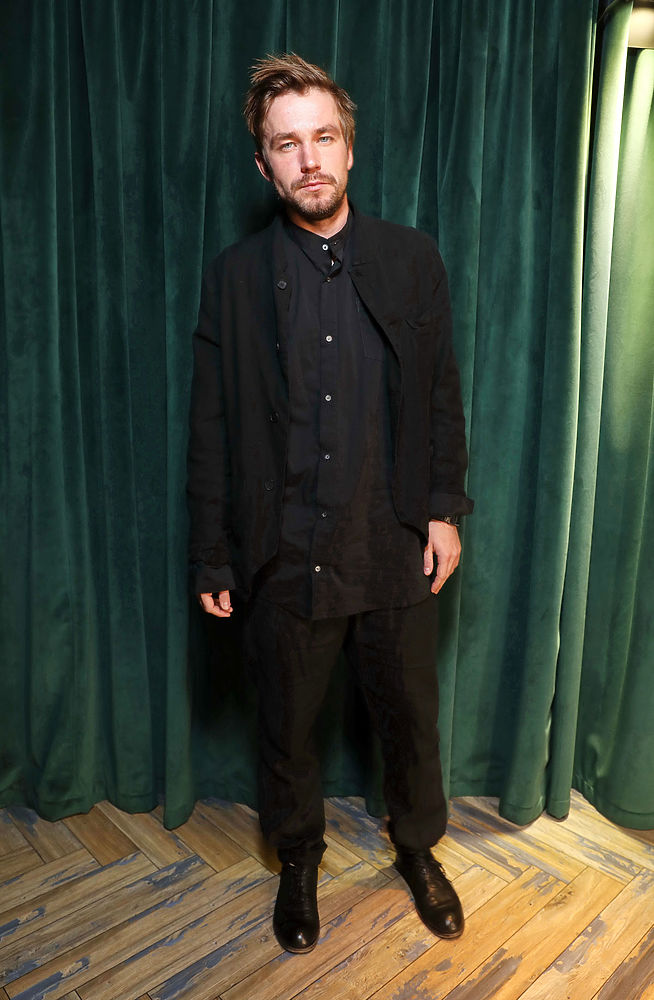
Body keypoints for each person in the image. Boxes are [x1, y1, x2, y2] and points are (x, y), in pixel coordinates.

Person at [187, 53, 474, 954]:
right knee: (286, 726)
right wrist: (212, 551)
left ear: (349, 149)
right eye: (287, 144)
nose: (308, 159)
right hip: (284, 548)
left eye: (322, 138)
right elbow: (210, 423)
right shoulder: (235, 276)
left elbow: (440, 393)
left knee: (410, 720)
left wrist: (443, 509)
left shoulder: (412, 258)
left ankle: (418, 849)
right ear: (263, 165)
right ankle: (299, 860)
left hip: (390, 541)